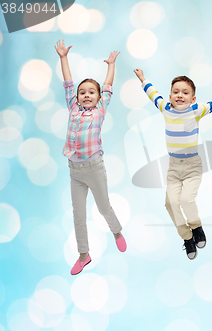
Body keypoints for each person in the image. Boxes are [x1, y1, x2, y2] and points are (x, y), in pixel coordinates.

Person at [133, 68, 212, 259]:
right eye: (176, 92)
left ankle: (196, 227)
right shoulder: (165, 108)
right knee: (170, 203)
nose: (180, 95)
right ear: (170, 96)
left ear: (193, 99)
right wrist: (143, 79)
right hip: (173, 167)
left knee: (186, 200)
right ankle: (187, 237)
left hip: (193, 165)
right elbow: (153, 94)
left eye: (185, 93)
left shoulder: (196, 110)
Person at [54, 40, 126, 275]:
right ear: (76, 98)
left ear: (98, 97)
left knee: (104, 207)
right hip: (74, 170)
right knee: (78, 215)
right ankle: (84, 255)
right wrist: (63, 58)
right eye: (82, 93)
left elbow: (107, 85)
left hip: (94, 168)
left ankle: (116, 231)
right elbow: (67, 82)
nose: (86, 95)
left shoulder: (100, 109)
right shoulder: (73, 108)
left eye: (91, 92)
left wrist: (111, 65)